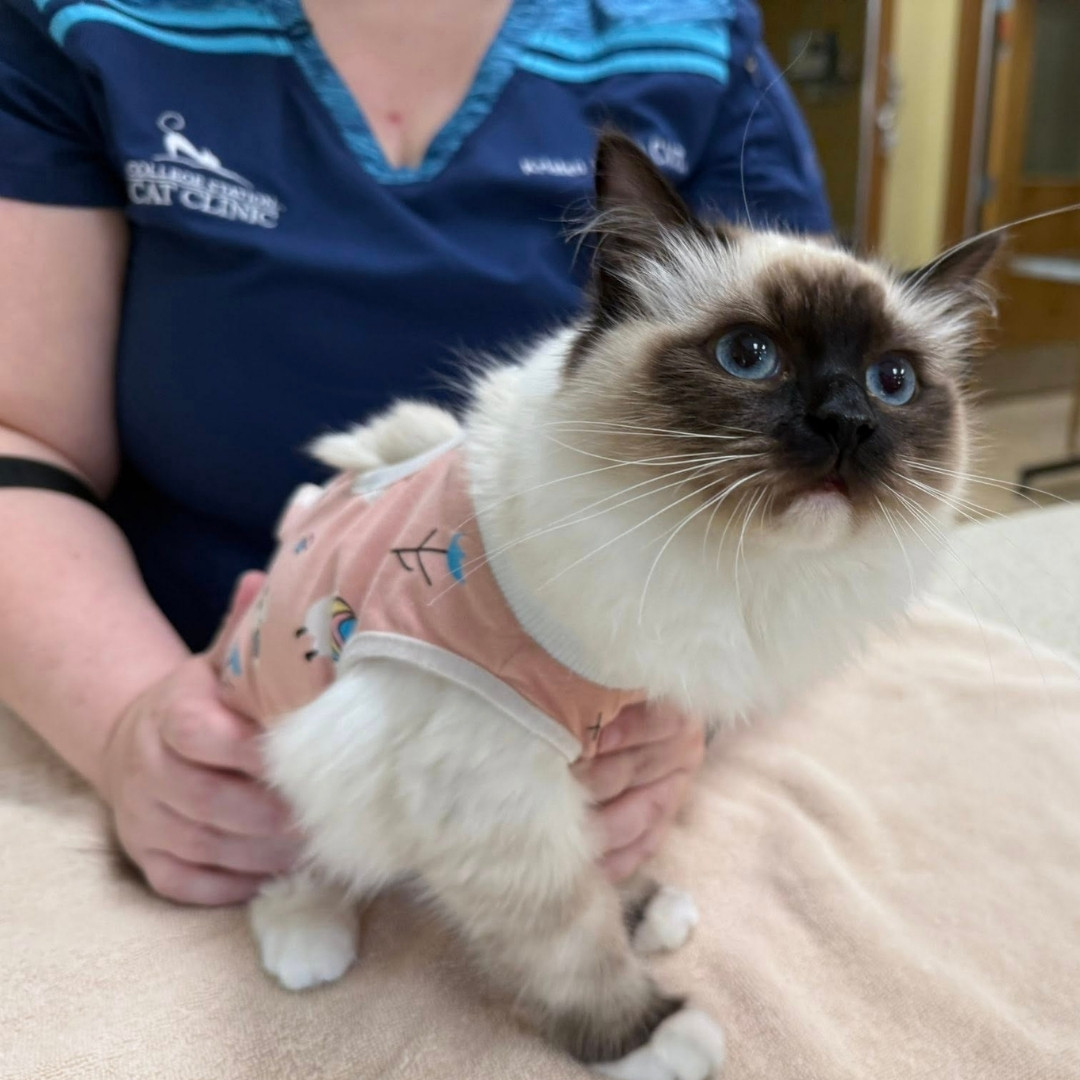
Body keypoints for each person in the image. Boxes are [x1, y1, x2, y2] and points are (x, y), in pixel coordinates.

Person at [0, 0, 831, 906]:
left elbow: (808, 455)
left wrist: (686, 708)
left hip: (577, 716)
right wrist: (130, 724)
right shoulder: (78, 22)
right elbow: (23, 439)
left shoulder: (693, 42)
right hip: (196, 681)